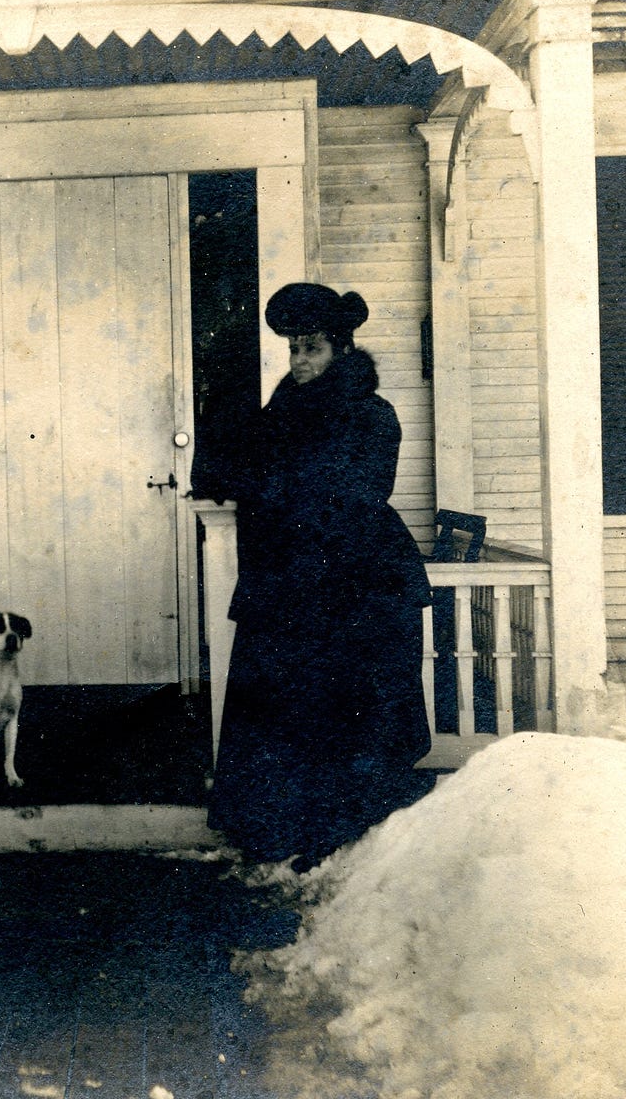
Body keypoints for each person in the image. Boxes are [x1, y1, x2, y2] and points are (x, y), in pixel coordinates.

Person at [202, 282, 433, 867]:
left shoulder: (370, 414)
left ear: (342, 352)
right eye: (294, 350)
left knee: (345, 705)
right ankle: (282, 830)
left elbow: (357, 494)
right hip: (290, 577)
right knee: (284, 706)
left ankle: (343, 831)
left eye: (313, 349)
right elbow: (242, 469)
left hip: (355, 581)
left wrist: (278, 490)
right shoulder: (280, 414)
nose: (300, 361)